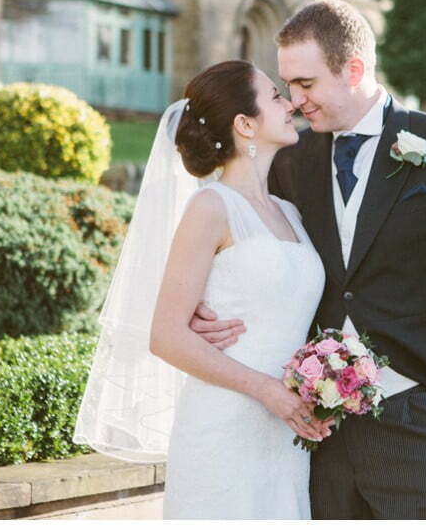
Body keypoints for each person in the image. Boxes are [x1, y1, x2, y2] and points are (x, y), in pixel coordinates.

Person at [190, 0, 426, 519]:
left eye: (306, 83)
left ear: (354, 69)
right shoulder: (290, 160)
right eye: (287, 86)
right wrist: (202, 307)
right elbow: (253, 245)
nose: (295, 101)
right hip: (323, 434)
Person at [73, 60, 333, 519]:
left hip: (285, 431)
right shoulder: (211, 207)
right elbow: (166, 336)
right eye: (275, 95)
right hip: (225, 422)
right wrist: (266, 389)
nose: (289, 102)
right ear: (244, 124)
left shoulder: (289, 213)